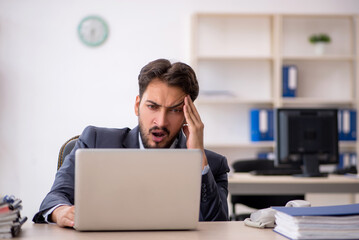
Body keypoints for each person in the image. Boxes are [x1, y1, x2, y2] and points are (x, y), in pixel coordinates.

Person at [32, 58, 230, 227]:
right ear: (137, 106)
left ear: (188, 115)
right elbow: (54, 197)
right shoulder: (94, 141)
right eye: (152, 107)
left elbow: (217, 226)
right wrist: (61, 212)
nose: (160, 122)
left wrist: (197, 158)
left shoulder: (212, 165)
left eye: (175, 110)